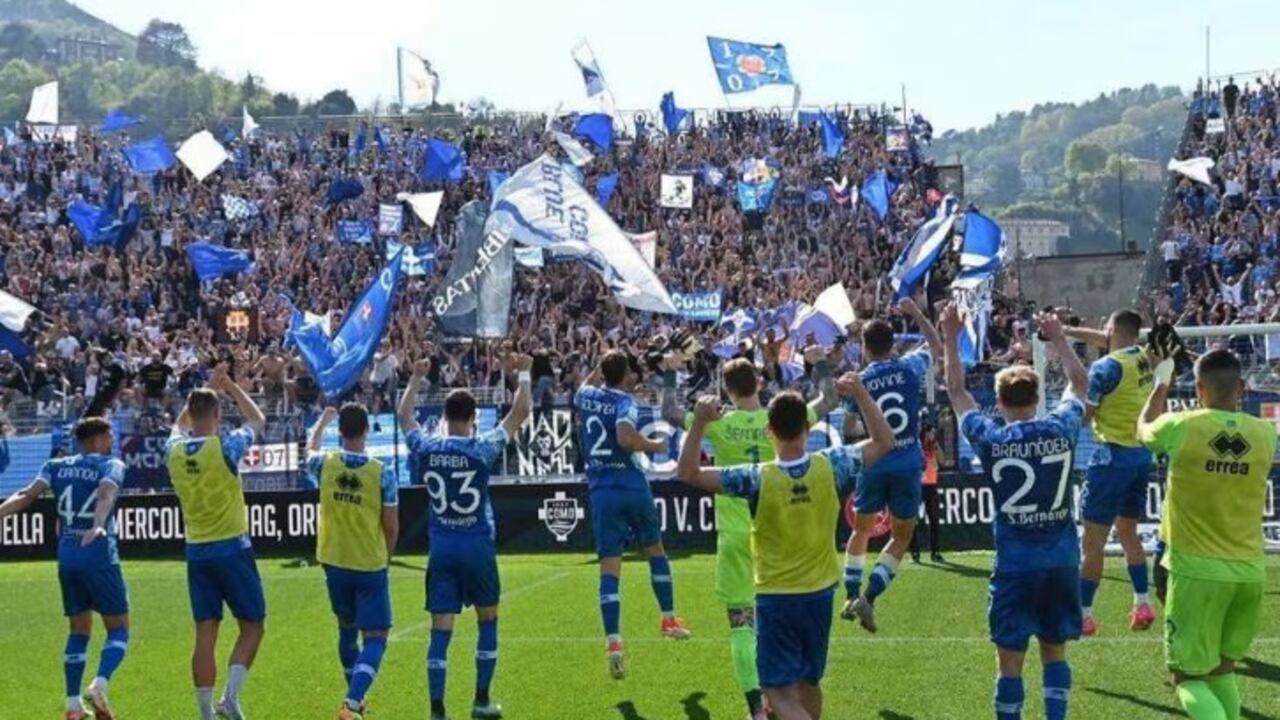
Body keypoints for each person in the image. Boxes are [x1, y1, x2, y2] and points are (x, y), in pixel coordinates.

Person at [676, 377, 894, 720]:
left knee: (777, 692)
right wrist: (863, 394)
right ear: (807, 428)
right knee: (808, 683)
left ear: (769, 432)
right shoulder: (831, 464)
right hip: (821, 593)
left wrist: (701, 422)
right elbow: (884, 441)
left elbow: (688, 473)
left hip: (777, 597)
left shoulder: (756, 477)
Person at [658, 346, 840, 720]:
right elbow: (830, 398)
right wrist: (819, 361)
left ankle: (757, 707)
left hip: (736, 534)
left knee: (741, 622)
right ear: (758, 382)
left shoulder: (719, 422)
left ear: (727, 391)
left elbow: (668, 412)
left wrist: (672, 372)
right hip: (779, 534)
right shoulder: (780, 417)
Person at [944, 306, 1089, 720]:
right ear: (1038, 397)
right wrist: (1058, 338)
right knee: (1054, 651)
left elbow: (957, 393)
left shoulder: (992, 439)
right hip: (1061, 559)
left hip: (1015, 564)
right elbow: (1080, 383)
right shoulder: (1060, 429)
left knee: (1009, 660)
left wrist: (951, 336)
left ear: (1000, 402)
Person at [1138, 349, 1276, 720]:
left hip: (1196, 571)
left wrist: (1161, 381)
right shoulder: (1266, 434)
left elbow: (1144, 429)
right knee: (1221, 671)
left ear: (1198, 389)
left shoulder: (1183, 426)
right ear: (1243, 388)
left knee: (1185, 677)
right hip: (1249, 571)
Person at [398, 352, 533, 720]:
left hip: (441, 549)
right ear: (473, 419)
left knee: (439, 633)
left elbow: (405, 417)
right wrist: (523, 373)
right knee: (487, 621)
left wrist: (414, 378)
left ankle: (437, 711)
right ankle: (481, 701)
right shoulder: (481, 448)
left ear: (444, 417)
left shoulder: (428, 448)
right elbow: (520, 414)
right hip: (476, 546)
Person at [0, 417, 128, 720]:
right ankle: (99, 683)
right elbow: (107, 493)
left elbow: (27, 495)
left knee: (79, 629)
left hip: (67, 554)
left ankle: (72, 704)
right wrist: (98, 525)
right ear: (97, 439)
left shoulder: (56, 465)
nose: (111, 441)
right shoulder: (112, 465)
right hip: (96, 551)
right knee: (119, 628)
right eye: (109, 436)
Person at [576, 349, 691, 680]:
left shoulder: (585, 395)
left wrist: (600, 365)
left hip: (601, 491)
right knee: (655, 549)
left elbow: (588, 383)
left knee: (610, 568)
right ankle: (668, 619)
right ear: (625, 374)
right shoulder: (625, 402)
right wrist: (654, 446)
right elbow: (625, 437)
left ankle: (614, 645)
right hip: (630, 484)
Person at [165, 363, 267, 720]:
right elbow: (257, 420)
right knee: (253, 626)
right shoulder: (225, 447)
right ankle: (230, 698)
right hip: (232, 548)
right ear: (218, 413)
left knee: (205, 634)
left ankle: (206, 713)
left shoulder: (173, 450)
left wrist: (208, 386)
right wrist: (231, 386)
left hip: (196, 551)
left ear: (191, 414)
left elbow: (178, 426)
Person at [840, 296, 943, 632]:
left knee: (861, 530)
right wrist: (915, 313)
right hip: (908, 463)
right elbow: (936, 346)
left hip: (874, 461)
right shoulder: (910, 368)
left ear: (865, 348)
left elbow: (849, 429)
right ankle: (870, 596)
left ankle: (850, 594)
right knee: (901, 537)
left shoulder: (859, 380)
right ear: (893, 343)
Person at [1063, 310, 1156, 636]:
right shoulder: (1145, 357)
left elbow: (1086, 417)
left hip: (1110, 459)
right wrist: (1064, 330)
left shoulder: (1104, 369)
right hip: (1141, 455)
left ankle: (1084, 614)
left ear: (1113, 329)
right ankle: (1142, 602)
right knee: (1129, 533)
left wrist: (1072, 397)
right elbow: (1107, 338)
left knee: (1093, 543)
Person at [306, 402, 400, 720]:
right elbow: (391, 525)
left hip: (333, 562)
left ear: (340, 431)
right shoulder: (381, 471)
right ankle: (352, 701)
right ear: (367, 431)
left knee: (346, 629)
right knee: (376, 636)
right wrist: (387, 556)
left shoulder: (325, 464)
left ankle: (354, 696)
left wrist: (321, 421)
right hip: (368, 564)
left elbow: (310, 450)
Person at [909, 420, 943, 564]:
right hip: (918, 485)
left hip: (932, 485)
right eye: (932, 432)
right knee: (912, 520)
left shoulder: (934, 446)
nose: (934, 435)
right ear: (926, 433)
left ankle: (935, 552)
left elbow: (942, 461)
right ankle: (915, 552)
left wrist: (937, 447)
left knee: (934, 519)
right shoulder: (917, 446)